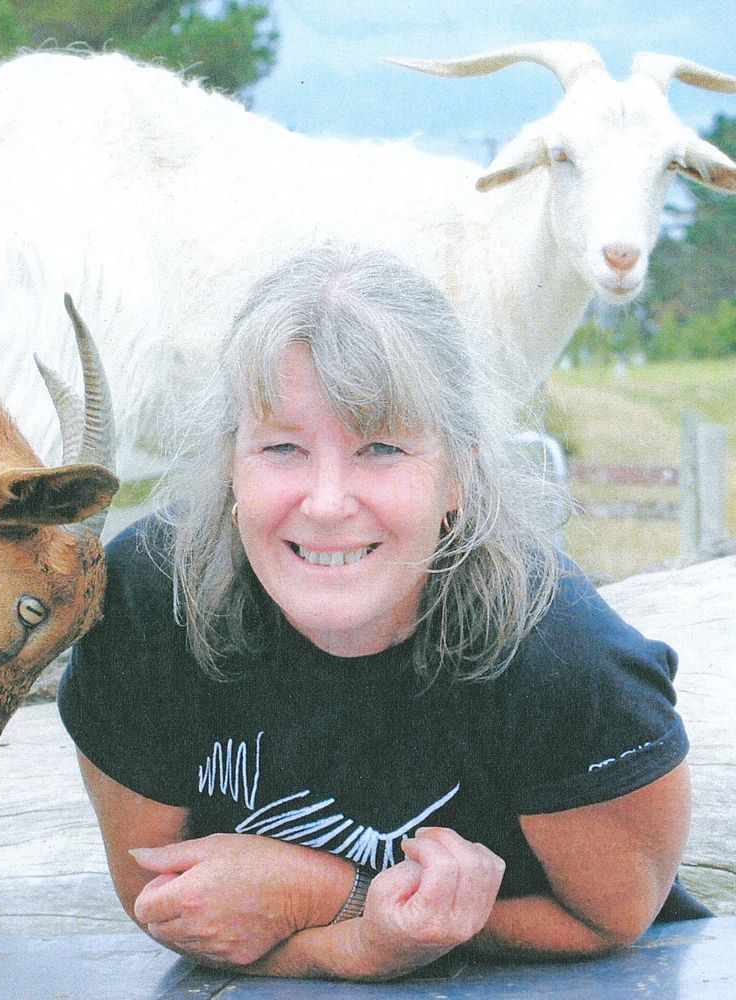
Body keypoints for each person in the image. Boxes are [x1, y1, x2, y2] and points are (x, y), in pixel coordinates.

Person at [58, 244, 706, 982]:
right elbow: (163, 902)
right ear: (231, 463)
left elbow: (608, 921)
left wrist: (327, 896)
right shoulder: (146, 607)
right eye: (282, 447)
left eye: (382, 448)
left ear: (458, 476)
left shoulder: (566, 659)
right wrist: (360, 945)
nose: (327, 503)